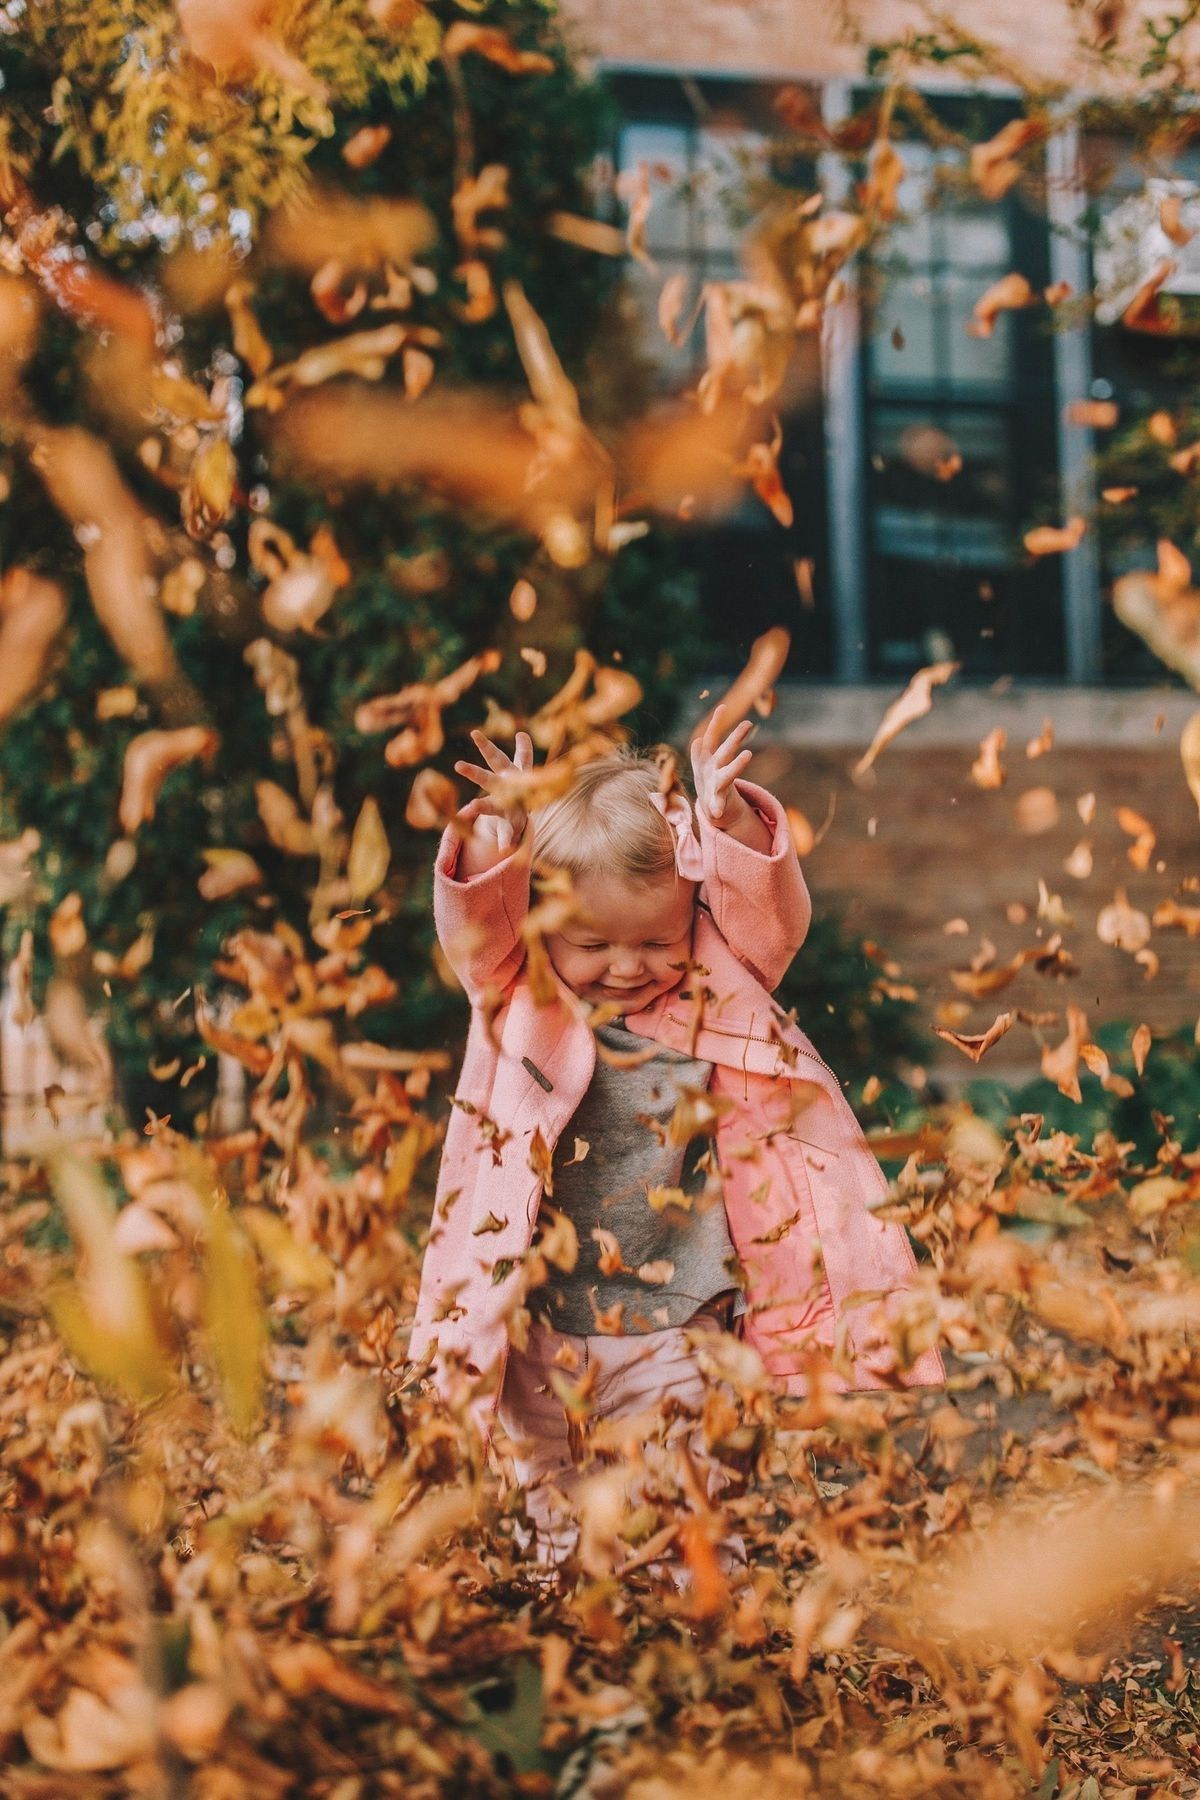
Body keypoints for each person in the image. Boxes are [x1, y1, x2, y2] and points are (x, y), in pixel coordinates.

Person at [406, 705, 945, 1593]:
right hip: (538, 1328)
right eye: (592, 943)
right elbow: (477, 928)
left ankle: (700, 1656)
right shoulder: (519, 991)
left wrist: (727, 823)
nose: (626, 966)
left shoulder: (717, 989)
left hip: (681, 1319)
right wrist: (498, 840)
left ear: (691, 918)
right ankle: (576, 1660)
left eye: (654, 940)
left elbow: (767, 918)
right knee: (554, 1515)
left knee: (686, 1513)